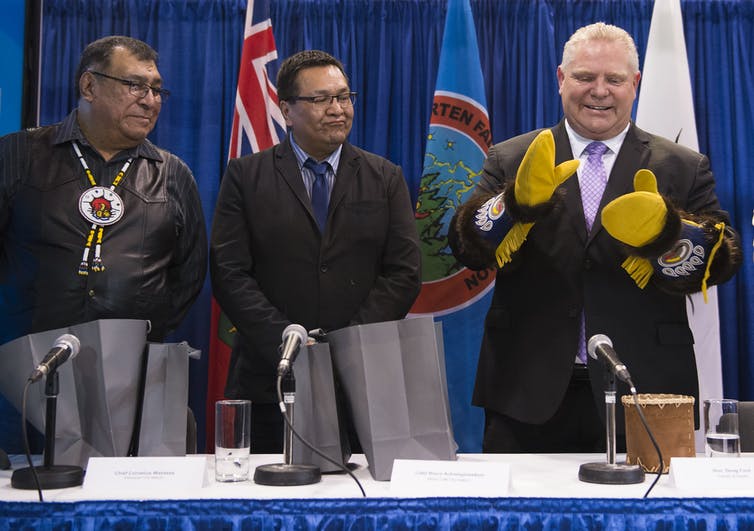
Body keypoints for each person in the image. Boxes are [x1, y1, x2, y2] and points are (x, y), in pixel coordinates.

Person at [449, 22, 741, 453]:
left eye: (614, 79)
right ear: (561, 79)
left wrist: (667, 233)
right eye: (585, 77)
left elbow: (720, 265)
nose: (599, 91)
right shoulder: (512, 157)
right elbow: (466, 248)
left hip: (646, 386)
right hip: (526, 387)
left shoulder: (683, 165)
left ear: (635, 84)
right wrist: (512, 205)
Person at [0, 36, 207, 449]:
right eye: (135, 86)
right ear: (89, 87)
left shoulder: (172, 173)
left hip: (134, 386)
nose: (150, 100)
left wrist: (142, 331)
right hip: (23, 384)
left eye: (156, 89)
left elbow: (189, 272)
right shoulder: (19, 154)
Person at [210, 50, 421, 453]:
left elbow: (404, 273)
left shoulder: (385, 177)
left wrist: (344, 343)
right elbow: (229, 272)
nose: (338, 109)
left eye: (344, 97)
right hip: (270, 375)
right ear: (287, 110)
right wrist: (285, 340)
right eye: (321, 99)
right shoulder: (246, 176)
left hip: (361, 379)